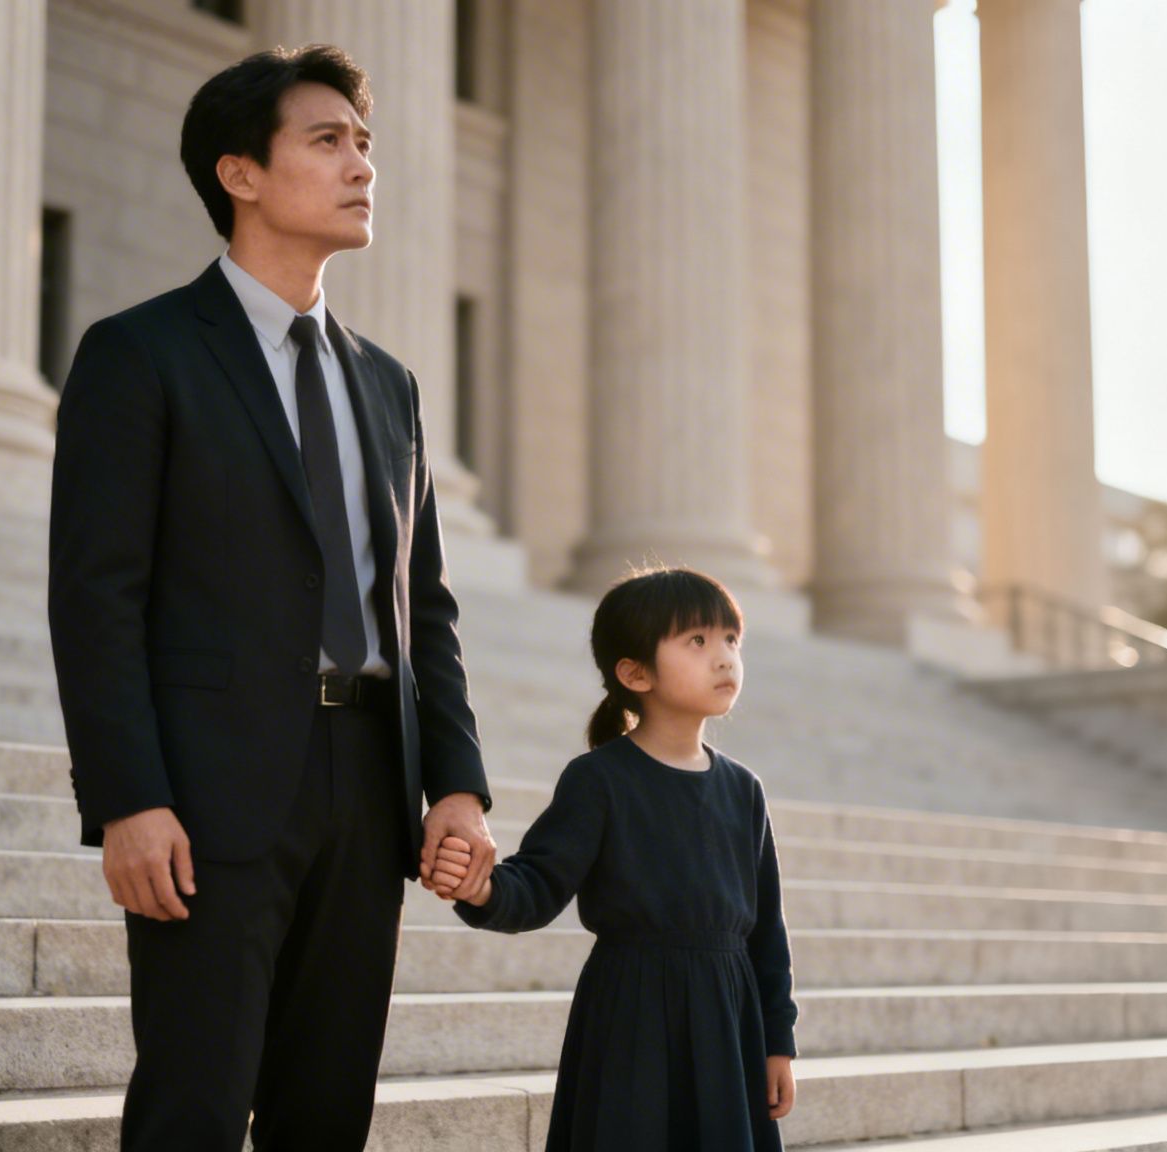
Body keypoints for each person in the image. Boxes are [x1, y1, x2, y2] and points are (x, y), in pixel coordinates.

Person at [46, 44, 496, 1151]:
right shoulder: (138, 354)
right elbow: (95, 597)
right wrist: (126, 797)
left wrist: (457, 786)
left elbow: (420, 606)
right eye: (327, 142)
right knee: (193, 1108)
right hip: (208, 792)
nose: (362, 167)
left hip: (368, 790)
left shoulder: (387, 383)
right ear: (239, 173)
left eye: (366, 145)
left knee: (325, 1112)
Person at [426, 567, 799, 1151]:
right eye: (697, 641)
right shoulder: (599, 779)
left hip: (729, 1022)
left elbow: (767, 933)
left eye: (732, 639)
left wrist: (777, 1042)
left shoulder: (743, 790)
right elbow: (539, 882)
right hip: (632, 1019)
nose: (725, 657)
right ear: (635, 672)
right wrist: (481, 889)